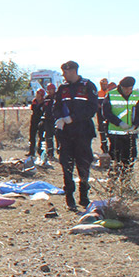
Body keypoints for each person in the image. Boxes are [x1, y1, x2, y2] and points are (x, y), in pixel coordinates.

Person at [52, 61, 99, 210]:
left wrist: (73, 117)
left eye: (66, 72)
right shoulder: (63, 88)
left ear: (73, 71)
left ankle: (84, 196)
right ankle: (69, 197)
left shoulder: (87, 86)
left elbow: (92, 108)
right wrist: (59, 118)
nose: (64, 75)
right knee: (66, 164)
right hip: (66, 133)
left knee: (83, 164)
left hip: (82, 131)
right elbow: (56, 106)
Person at [102, 76, 139, 180]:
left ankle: (126, 180)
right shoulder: (111, 95)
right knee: (116, 158)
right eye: (126, 88)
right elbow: (106, 112)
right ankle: (114, 180)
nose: (128, 91)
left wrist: (135, 125)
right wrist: (119, 123)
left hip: (130, 133)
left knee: (130, 158)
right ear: (121, 87)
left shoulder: (136, 95)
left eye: (130, 88)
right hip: (115, 133)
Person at [39, 82, 57, 164]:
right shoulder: (46, 98)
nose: (50, 91)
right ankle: (50, 154)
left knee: (58, 137)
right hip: (47, 120)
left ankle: (60, 152)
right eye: (49, 90)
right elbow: (43, 108)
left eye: (51, 89)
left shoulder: (57, 97)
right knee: (48, 137)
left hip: (56, 120)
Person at [27, 89, 45, 157]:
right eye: (37, 94)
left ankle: (41, 151)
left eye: (39, 95)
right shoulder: (34, 102)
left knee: (41, 137)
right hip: (34, 120)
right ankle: (31, 152)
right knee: (32, 137)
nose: (37, 96)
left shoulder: (44, 103)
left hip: (41, 121)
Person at [96, 78, 111, 155]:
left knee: (110, 133)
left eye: (105, 84)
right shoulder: (98, 93)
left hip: (109, 116)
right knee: (102, 132)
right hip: (100, 116)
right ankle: (104, 148)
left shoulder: (110, 93)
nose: (104, 86)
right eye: (102, 84)